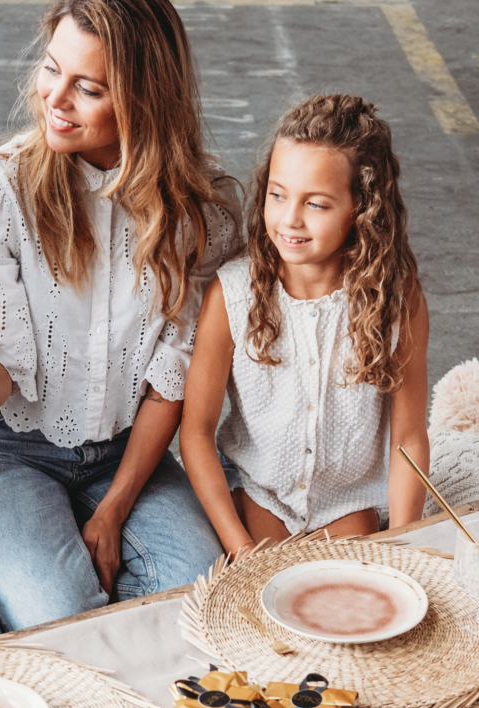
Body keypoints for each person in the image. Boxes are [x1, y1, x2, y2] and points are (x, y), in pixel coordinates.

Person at [0, 0, 241, 631]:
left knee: (193, 603)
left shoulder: (200, 220)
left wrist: (113, 510)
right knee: (63, 620)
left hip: (129, 453)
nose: (54, 99)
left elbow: (167, 384)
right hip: (3, 448)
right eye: (50, 69)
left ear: (145, 102)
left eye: (88, 88)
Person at [180, 94, 430, 558]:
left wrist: (403, 541)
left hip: (347, 504)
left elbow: (409, 438)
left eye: (316, 204)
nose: (289, 219)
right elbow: (196, 432)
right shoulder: (232, 294)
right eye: (277, 194)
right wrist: (240, 546)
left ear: (362, 207)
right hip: (260, 495)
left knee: (348, 592)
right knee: (266, 587)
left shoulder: (397, 300)